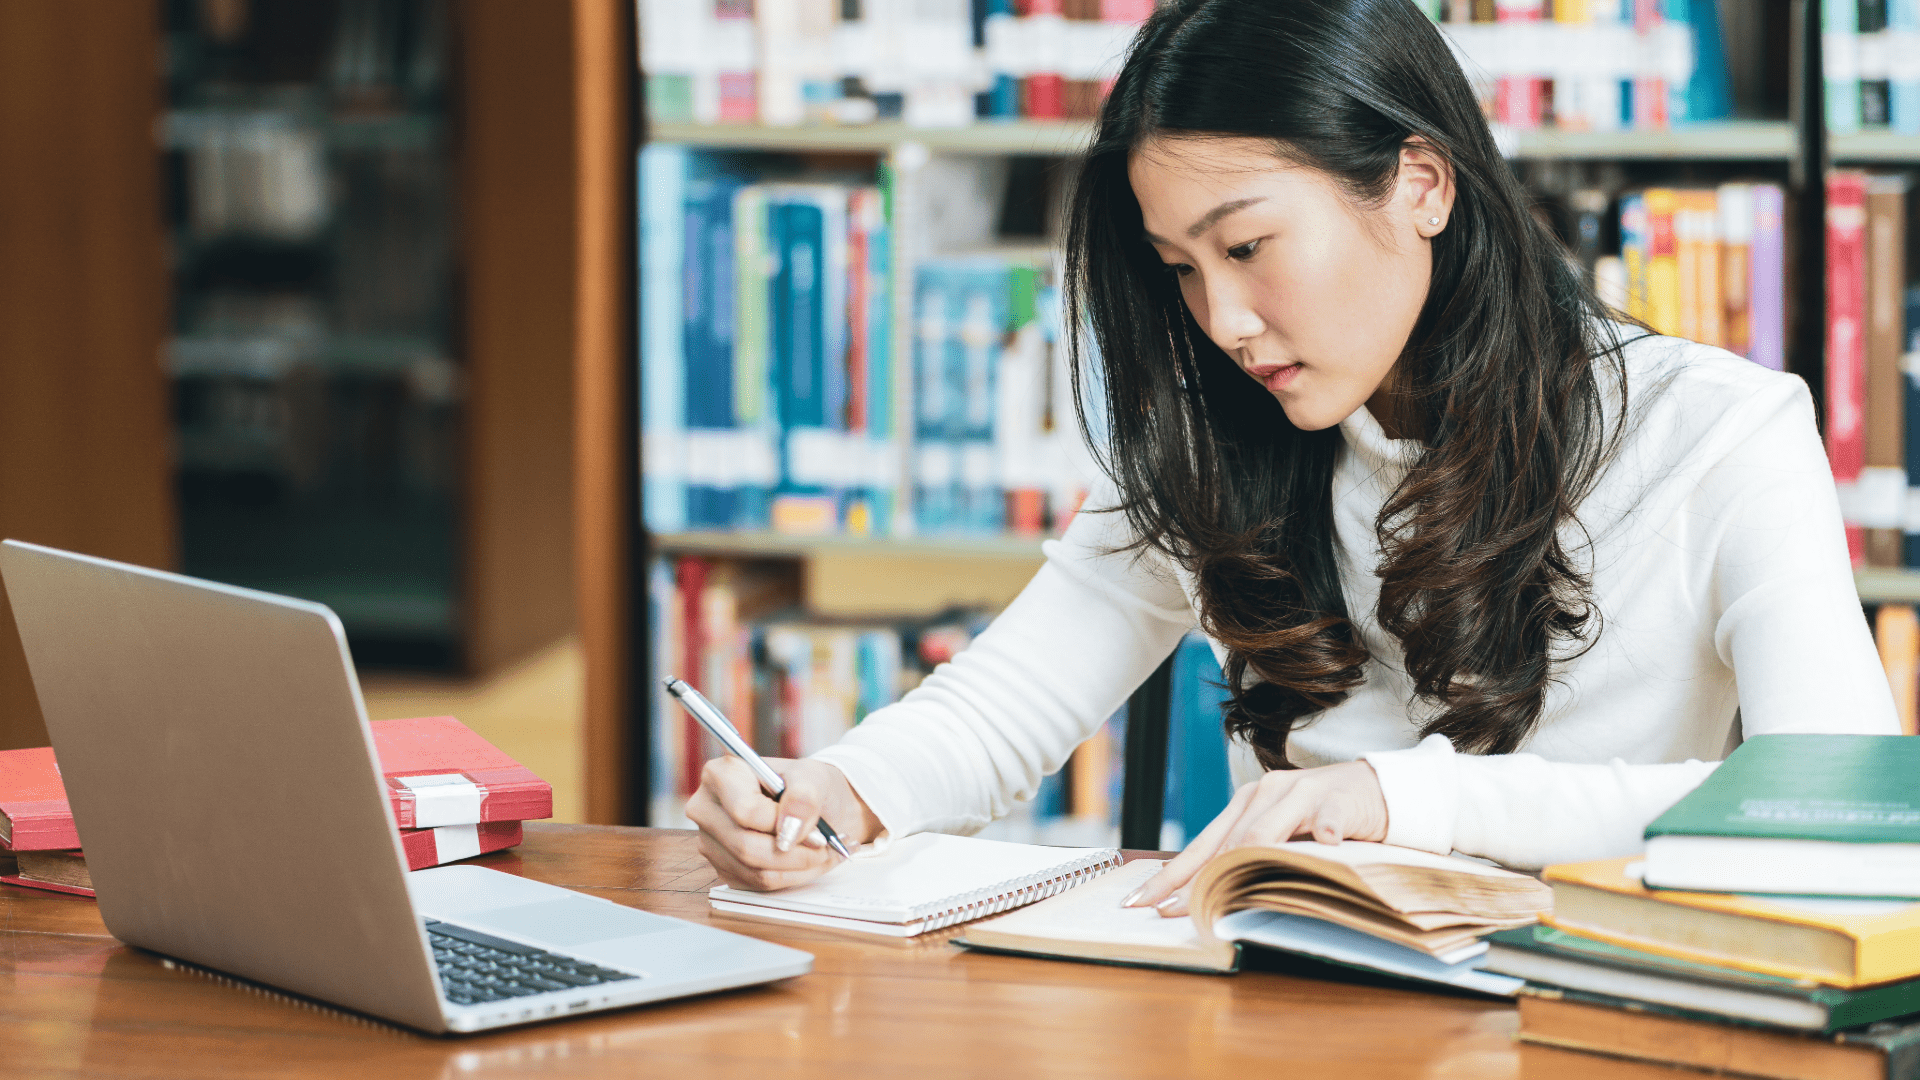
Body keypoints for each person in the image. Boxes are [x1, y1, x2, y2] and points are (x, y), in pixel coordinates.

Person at [686, 0, 1899, 915]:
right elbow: (1008, 702)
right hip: (1294, 1005)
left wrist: (1399, 798)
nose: (1223, 320)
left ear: (1420, 185)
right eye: (1181, 268)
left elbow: (1842, 801)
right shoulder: (1228, 436)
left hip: (1592, 1015)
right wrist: (843, 788)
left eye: (1250, 247)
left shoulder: (1719, 434)